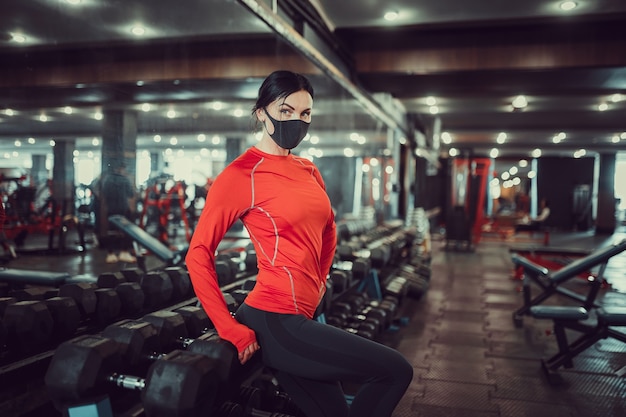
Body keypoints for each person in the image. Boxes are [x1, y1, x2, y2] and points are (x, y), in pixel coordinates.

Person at [186, 70, 413, 417]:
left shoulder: (308, 170)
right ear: (262, 112)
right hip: (274, 320)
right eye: (286, 110)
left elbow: (329, 229)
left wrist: (321, 280)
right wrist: (228, 327)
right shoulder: (240, 175)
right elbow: (198, 254)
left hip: (303, 315)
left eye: (305, 113)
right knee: (394, 371)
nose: (297, 120)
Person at [100, 162, 137, 263]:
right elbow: (130, 194)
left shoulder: (107, 179)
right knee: (124, 231)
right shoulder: (125, 180)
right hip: (123, 209)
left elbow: (103, 194)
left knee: (111, 232)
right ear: (121, 169)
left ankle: (110, 254)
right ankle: (124, 252)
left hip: (110, 209)